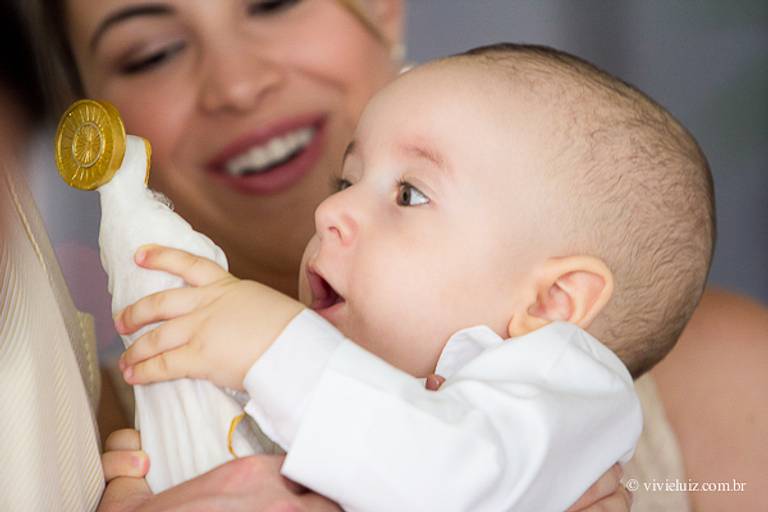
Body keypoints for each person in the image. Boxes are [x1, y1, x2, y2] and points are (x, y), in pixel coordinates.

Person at [20, 1, 767, 511]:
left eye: (409, 193)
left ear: (551, 307)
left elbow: (438, 467)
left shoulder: (560, 395)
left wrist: (269, 344)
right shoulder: (57, 436)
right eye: (151, 52)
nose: (239, 85)